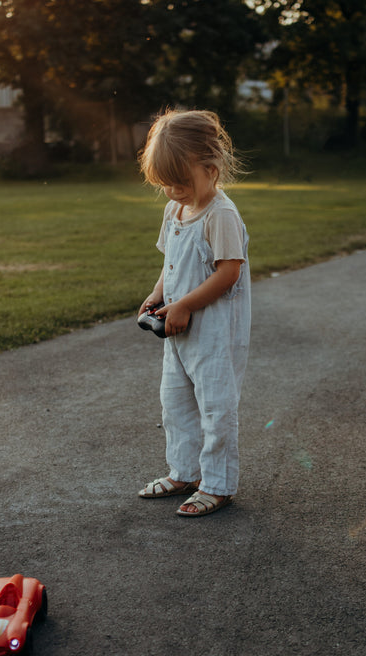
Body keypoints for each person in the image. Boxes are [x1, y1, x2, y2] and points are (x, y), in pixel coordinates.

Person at [136, 109, 251, 517]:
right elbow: (171, 264)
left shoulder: (220, 215)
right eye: (165, 184)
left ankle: (217, 484)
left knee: (216, 409)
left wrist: (185, 304)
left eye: (181, 182)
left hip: (215, 335)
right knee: (176, 403)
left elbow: (228, 274)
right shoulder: (175, 211)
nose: (173, 191)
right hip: (179, 332)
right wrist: (157, 295)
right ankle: (185, 471)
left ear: (211, 166)